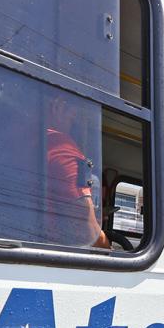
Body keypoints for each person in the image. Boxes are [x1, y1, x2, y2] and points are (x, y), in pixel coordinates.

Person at [45, 95, 110, 249]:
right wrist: (109, 249)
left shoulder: (19, 142)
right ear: (58, 106)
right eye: (72, 116)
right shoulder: (60, 147)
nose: (74, 122)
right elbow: (87, 232)